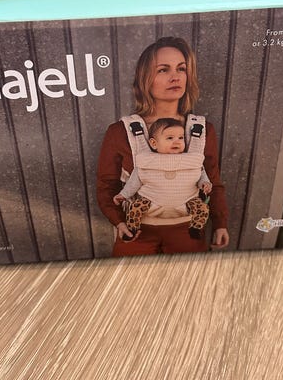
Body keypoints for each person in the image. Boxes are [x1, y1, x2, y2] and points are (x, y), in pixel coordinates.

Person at [96, 36, 229, 256]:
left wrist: (220, 223)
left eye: (181, 69)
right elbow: (106, 186)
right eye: (163, 70)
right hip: (137, 232)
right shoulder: (120, 132)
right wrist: (119, 221)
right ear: (145, 79)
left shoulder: (202, 130)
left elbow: (213, 182)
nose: (175, 77)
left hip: (188, 232)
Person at [112, 117, 212, 239]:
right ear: (154, 143)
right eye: (170, 138)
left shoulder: (192, 160)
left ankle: (195, 228)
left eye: (181, 138)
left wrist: (205, 184)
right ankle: (133, 228)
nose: (177, 142)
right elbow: (133, 183)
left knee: (202, 208)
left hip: (187, 202)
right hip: (151, 202)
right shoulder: (146, 161)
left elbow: (201, 175)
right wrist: (123, 195)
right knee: (135, 208)